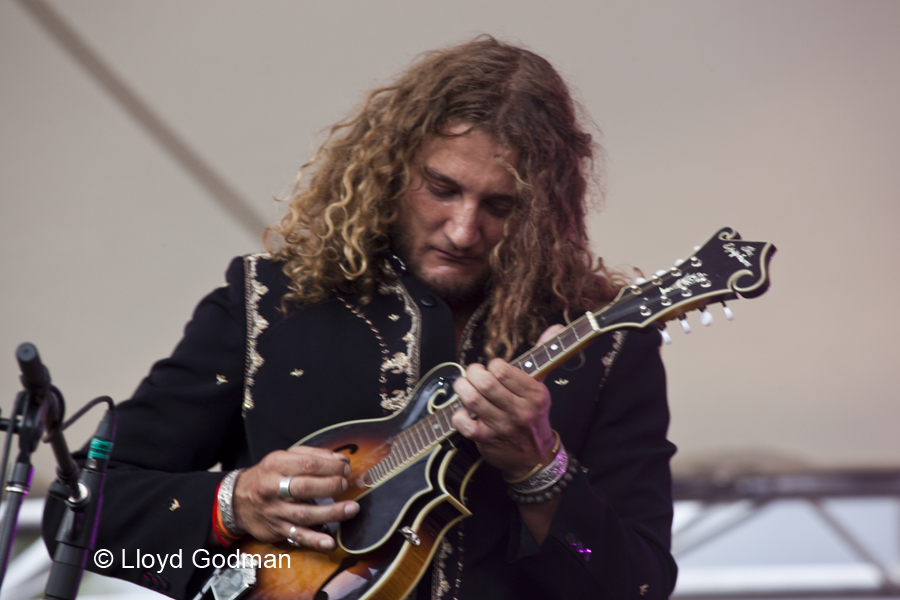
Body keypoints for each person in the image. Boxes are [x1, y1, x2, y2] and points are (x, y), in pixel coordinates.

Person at [44, 36, 677, 599]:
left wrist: (540, 468)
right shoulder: (271, 301)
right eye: (443, 187)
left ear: (545, 209)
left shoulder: (606, 346)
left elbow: (637, 586)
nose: (462, 230)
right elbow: (77, 521)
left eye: (502, 206)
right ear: (396, 166)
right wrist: (232, 505)